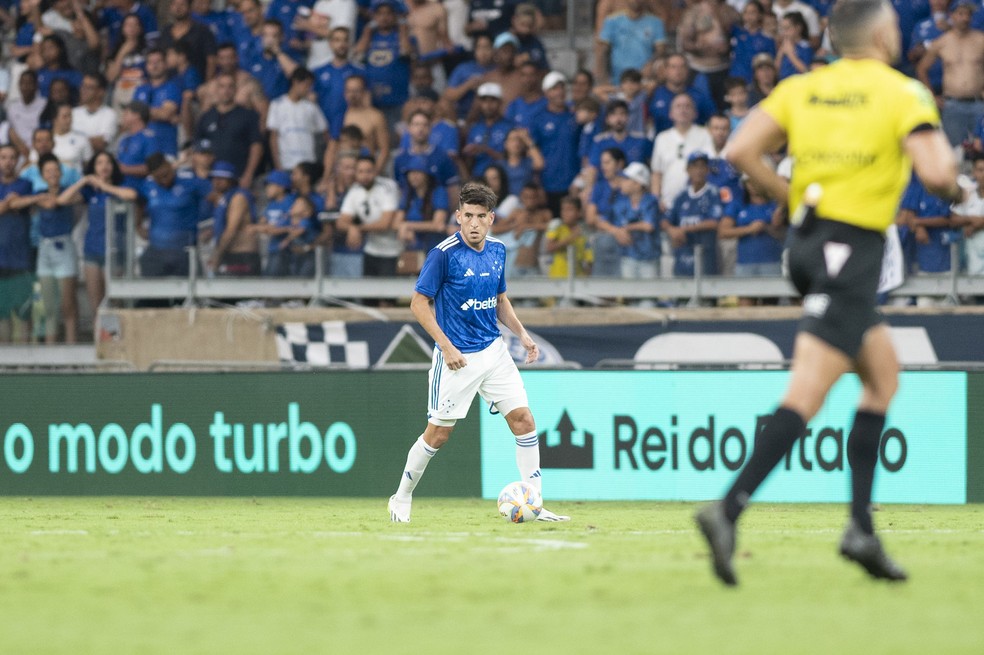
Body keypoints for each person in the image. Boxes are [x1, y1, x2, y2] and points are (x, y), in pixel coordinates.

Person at [695, 0, 962, 586]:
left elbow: (740, 151)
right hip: (852, 249)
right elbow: (939, 175)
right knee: (808, 393)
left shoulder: (803, 88)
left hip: (810, 242)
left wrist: (789, 197)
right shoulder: (902, 92)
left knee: (883, 375)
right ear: (884, 33)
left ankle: (860, 529)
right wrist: (957, 187)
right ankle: (727, 508)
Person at [387, 180, 569, 523]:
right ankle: (401, 496)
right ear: (458, 216)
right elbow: (418, 303)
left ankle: (534, 501)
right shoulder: (443, 254)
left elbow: (500, 300)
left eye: (480, 216)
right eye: (467, 215)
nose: (472, 222)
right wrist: (446, 345)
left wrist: (523, 335)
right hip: (458, 358)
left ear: (491, 219)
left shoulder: (498, 251)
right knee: (439, 434)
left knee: (524, 420)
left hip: (495, 352)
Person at [56, 151, 137, 313]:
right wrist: (84, 181)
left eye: (107, 162)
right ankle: (97, 336)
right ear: (94, 167)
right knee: (96, 306)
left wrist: (104, 186)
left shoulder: (120, 187)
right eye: (99, 163)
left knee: (115, 304)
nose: (104, 166)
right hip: (92, 250)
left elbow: (132, 195)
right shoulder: (90, 192)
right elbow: (61, 200)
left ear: (113, 167)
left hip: (114, 252)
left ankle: (117, 338)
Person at [24, 154, 77, 344]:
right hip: (44, 248)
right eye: (48, 171)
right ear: (42, 174)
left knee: (67, 305)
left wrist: (84, 180)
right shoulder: (40, 193)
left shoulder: (70, 192)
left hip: (63, 247)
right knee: (49, 307)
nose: (52, 173)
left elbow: (58, 202)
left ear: (61, 173)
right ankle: (50, 352)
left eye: (56, 170)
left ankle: (72, 354)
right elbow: (34, 202)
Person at [916, 0, 984, 148]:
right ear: (951, 15)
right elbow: (922, 68)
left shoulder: (981, 40)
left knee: (981, 150)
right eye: (960, 13)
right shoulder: (942, 42)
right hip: (953, 104)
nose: (965, 18)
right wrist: (932, 96)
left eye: (968, 14)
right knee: (953, 150)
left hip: (978, 103)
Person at [195, 73, 264, 187]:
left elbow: (256, 146)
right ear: (216, 90)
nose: (226, 90)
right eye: (222, 86)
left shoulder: (248, 115)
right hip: (212, 179)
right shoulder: (206, 117)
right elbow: (197, 148)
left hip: (238, 177)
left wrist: (248, 174)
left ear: (236, 89)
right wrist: (200, 171)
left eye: (230, 86)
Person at [0, 145, 35, 343]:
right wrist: (8, 203)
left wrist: (7, 204)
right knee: (2, 311)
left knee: (23, 310)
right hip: (0, 258)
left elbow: (18, 204)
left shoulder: (26, 184)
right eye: (3, 157)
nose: (8, 162)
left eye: (12, 157)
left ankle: (25, 361)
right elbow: (11, 205)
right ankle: (4, 359)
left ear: (18, 161)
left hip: (21, 257)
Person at [267, 67, 328, 171]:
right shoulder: (277, 105)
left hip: (308, 163)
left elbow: (324, 132)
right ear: (295, 82)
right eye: (306, 85)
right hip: (286, 164)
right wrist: (278, 165)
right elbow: (273, 137)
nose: (308, 89)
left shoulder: (311, 107)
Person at [205, 161, 260, 276]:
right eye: (214, 178)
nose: (217, 182)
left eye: (222, 178)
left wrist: (217, 256)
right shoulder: (224, 199)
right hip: (230, 255)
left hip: (243, 256)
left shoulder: (238, 198)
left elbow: (231, 230)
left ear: (232, 180)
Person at [595, 0, 667, 87]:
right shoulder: (612, 21)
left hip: (644, 81)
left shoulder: (656, 22)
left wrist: (651, 64)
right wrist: (603, 77)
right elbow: (602, 51)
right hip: (618, 80)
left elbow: (661, 50)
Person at [953, 155, 984, 275]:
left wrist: (975, 225)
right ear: (974, 172)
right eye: (980, 170)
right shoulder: (968, 193)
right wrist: (972, 221)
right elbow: (953, 219)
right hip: (971, 262)